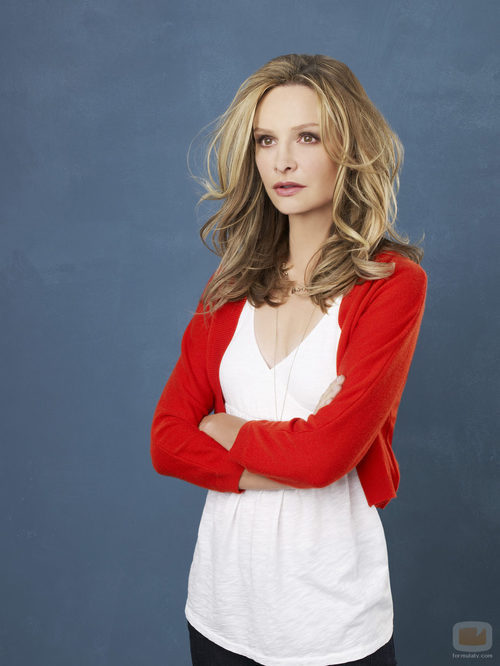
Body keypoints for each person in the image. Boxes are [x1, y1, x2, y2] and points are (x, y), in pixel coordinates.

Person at [150, 53, 427, 666]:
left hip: (331, 620)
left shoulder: (391, 284)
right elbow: (167, 441)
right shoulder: (230, 285)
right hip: (220, 609)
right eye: (265, 140)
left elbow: (327, 455)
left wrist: (226, 428)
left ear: (350, 148)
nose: (282, 161)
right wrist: (298, 453)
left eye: (308, 137)